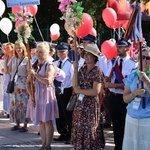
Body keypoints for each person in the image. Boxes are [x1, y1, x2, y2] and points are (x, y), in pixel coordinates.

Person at [105, 38, 138, 150]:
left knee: (124, 124)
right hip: (113, 97)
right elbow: (108, 77)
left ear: (127, 49)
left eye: (120, 47)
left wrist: (112, 85)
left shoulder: (133, 64)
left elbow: (129, 84)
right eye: (117, 46)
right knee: (115, 124)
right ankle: (117, 146)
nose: (118, 49)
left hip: (124, 97)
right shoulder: (113, 62)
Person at [71, 43, 105, 150]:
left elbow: (96, 91)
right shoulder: (82, 69)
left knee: (90, 131)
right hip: (80, 105)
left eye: (89, 54)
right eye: (85, 54)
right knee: (79, 128)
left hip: (90, 105)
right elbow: (74, 84)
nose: (86, 56)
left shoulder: (97, 71)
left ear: (94, 57)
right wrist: (75, 70)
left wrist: (80, 90)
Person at [27, 41, 59, 150]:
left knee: (47, 121)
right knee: (41, 120)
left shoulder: (49, 65)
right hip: (37, 95)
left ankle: (48, 145)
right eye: (37, 51)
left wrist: (35, 75)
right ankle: (43, 144)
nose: (38, 54)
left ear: (46, 53)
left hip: (47, 95)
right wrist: (31, 96)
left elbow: (48, 81)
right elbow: (28, 82)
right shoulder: (35, 65)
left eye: (41, 52)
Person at [122, 44, 150, 150]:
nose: (145, 60)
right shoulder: (132, 75)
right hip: (132, 117)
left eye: (148, 58)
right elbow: (125, 98)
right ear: (138, 59)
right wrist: (135, 93)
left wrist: (146, 80)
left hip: (147, 118)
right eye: (143, 57)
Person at [4, 41, 29, 132]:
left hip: (23, 84)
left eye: (20, 48)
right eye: (17, 48)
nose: (18, 49)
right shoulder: (13, 59)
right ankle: (17, 124)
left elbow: (28, 73)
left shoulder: (26, 59)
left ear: (23, 49)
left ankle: (25, 125)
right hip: (14, 84)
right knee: (15, 104)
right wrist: (6, 60)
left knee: (24, 104)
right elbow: (6, 71)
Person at [53, 42, 74, 144]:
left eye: (63, 51)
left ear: (67, 52)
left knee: (68, 114)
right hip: (57, 91)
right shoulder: (55, 63)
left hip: (67, 91)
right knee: (59, 113)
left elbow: (73, 79)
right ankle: (62, 133)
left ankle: (71, 135)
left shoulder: (70, 64)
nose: (61, 53)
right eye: (59, 51)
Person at [3, 43, 14, 118]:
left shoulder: (14, 58)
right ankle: (7, 110)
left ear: (12, 48)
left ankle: (11, 111)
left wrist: (6, 70)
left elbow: (11, 69)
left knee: (11, 94)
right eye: (5, 48)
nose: (5, 49)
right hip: (6, 77)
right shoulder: (6, 57)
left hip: (12, 77)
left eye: (8, 47)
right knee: (6, 94)